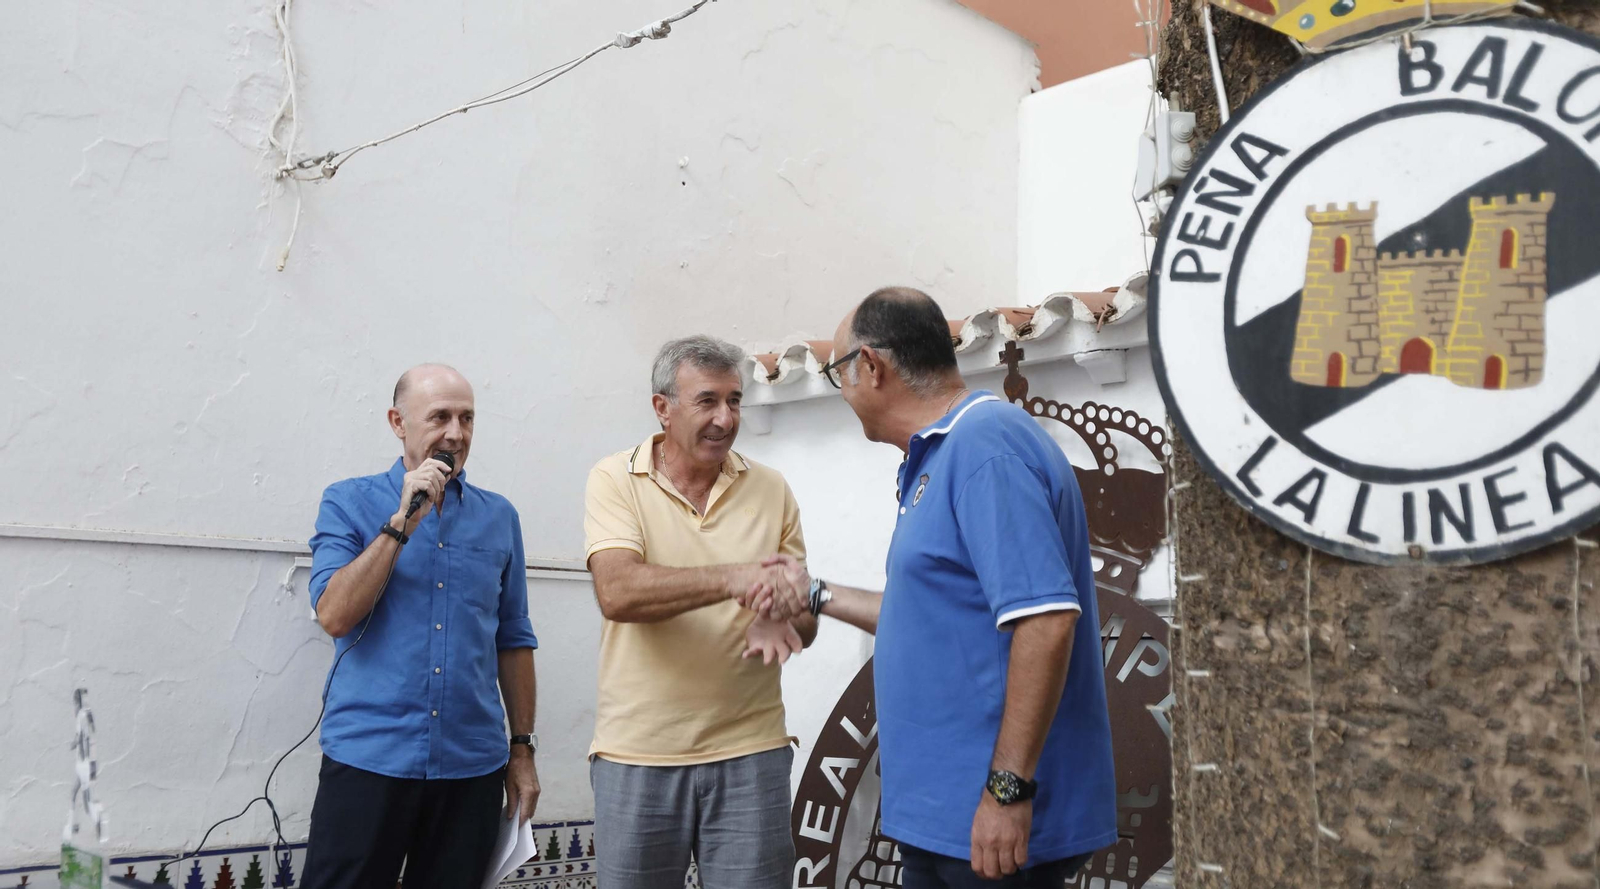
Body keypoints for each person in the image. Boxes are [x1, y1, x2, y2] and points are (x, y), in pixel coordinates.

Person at [752, 288, 1117, 887]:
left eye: (837, 371)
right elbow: (932, 615)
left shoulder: (984, 445)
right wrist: (813, 593)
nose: (841, 391)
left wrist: (1007, 790)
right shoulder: (942, 452)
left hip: (991, 825)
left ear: (870, 367)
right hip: (945, 820)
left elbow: (1046, 620)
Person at [582, 335, 816, 889]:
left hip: (752, 753)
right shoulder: (615, 478)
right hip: (637, 754)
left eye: (734, 401)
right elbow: (618, 593)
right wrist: (734, 578)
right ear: (662, 408)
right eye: (706, 401)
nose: (725, 418)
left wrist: (786, 609)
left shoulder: (771, 488)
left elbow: (804, 620)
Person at [302, 363, 540, 889]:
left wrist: (521, 751)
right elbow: (334, 614)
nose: (456, 433)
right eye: (439, 417)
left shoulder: (499, 517)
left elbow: (514, 638)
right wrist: (402, 520)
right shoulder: (348, 501)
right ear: (398, 422)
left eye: (467, 418)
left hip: (471, 766)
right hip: (369, 759)